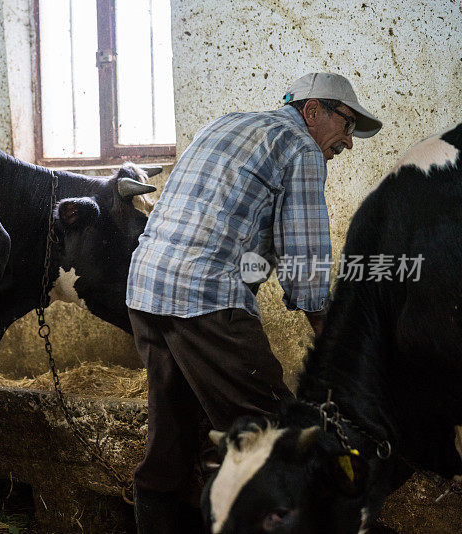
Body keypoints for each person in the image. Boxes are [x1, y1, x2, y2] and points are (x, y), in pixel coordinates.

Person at [125, 72, 382, 532]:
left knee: (172, 441)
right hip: (205, 299)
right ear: (311, 110)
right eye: (345, 125)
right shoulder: (301, 147)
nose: (347, 142)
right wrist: (328, 337)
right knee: (280, 439)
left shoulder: (224, 123)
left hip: (146, 289)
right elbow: (304, 254)